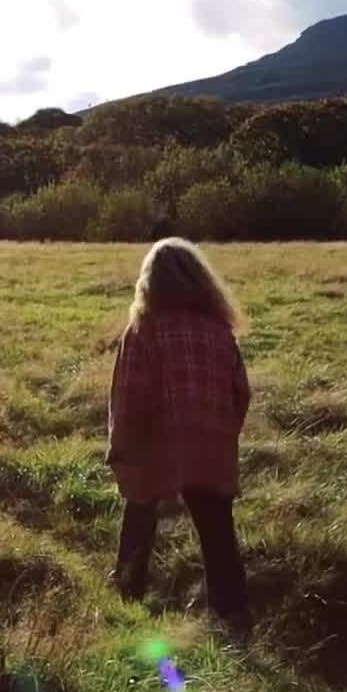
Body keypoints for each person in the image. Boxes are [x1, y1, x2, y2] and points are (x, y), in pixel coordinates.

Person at [106, 237, 253, 621]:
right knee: (218, 534)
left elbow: (127, 396)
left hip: (157, 447)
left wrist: (122, 450)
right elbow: (241, 392)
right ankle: (233, 618)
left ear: (149, 282)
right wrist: (223, 436)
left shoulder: (143, 330)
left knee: (139, 518)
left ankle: (126, 604)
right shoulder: (220, 331)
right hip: (211, 446)